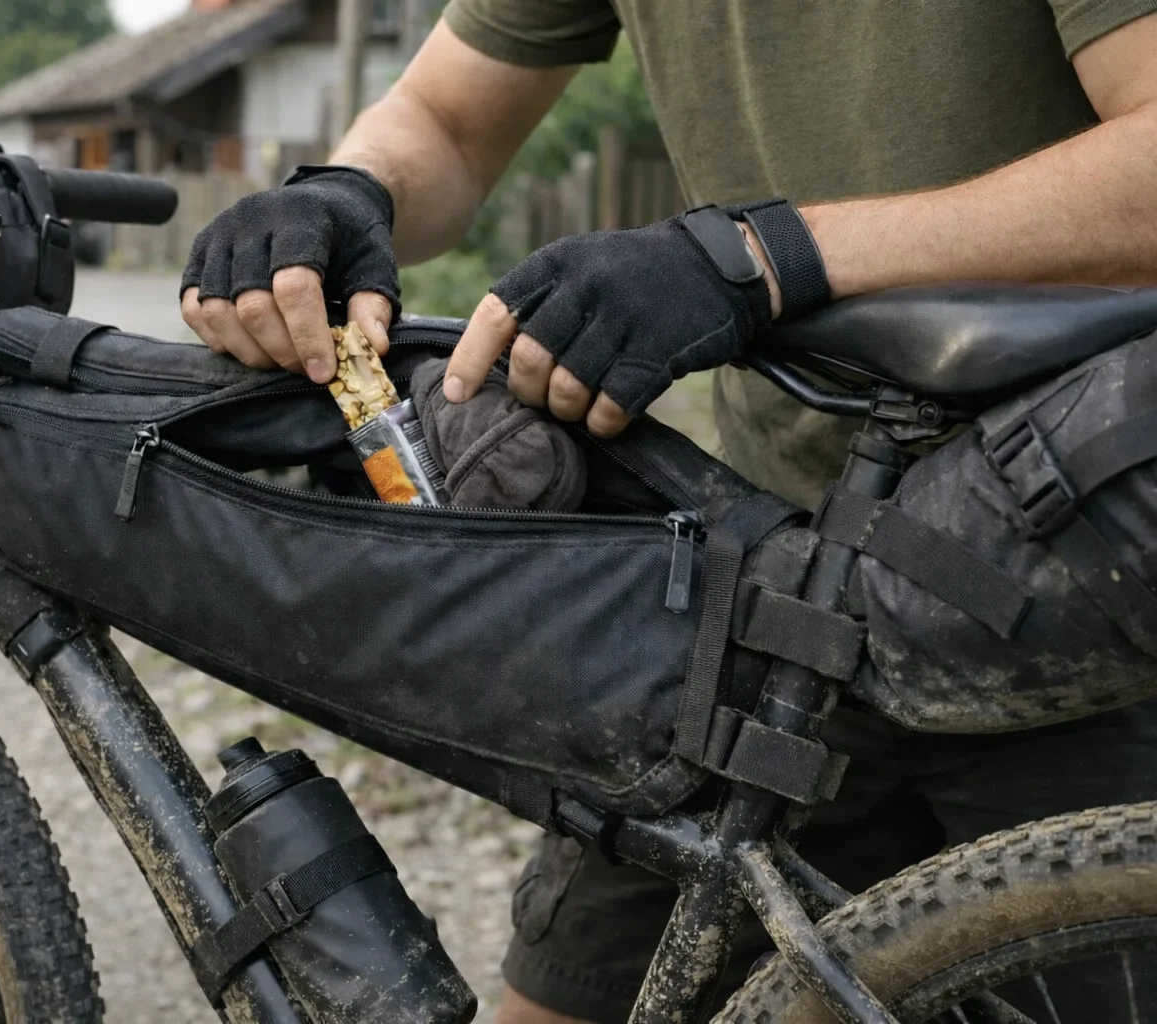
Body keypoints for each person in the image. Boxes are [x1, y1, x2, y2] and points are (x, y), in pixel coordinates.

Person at [181, 3, 1157, 1021]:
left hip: (1087, 583)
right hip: (786, 574)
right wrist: (348, 191)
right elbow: (447, 117)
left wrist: (767, 257)